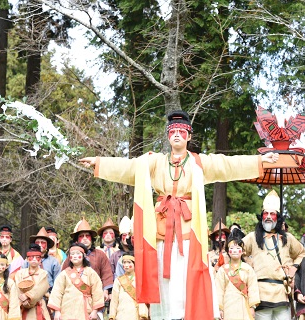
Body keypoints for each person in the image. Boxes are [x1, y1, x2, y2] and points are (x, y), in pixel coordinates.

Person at [79, 110, 278, 319]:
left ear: (189, 136)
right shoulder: (154, 162)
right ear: (167, 136)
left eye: (182, 131)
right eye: (173, 131)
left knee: (186, 278)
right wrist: (100, 163)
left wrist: (259, 161)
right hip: (162, 230)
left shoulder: (198, 163)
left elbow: (227, 164)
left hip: (188, 230)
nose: (177, 135)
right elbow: (129, 167)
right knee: (164, 279)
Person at [242, 190, 305, 320]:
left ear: (278, 217)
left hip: (283, 292)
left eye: (272, 213)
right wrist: (249, 264)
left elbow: (301, 253)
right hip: (261, 292)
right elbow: (238, 250)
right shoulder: (253, 237)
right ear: (262, 216)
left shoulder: (287, 237)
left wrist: (293, 268)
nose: (269, 216)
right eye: (266, 213)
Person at [48, 242, 104, 320]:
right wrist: (57, 311)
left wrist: (95, 311)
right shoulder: (64, 274)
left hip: (85, 310)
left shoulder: (91, 273)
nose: (75, 256)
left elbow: (97, 291)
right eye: (72, 254)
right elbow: (57, 292)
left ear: (84, 256)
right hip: (67, 310)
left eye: (77, 253)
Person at [62, 218, 113, 301]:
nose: (85, 238)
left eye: (87, 236)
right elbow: (63, 276)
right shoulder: (71, 256)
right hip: (74, 296)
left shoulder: (100, 254)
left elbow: (106, 274)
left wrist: (105, 291)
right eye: (81, 236)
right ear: (77, 240)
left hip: (96, 294)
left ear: (91, 238)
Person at [215, 234, 259, 320]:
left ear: (243, 251)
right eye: (232, 249)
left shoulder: (248, 269)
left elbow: (253, 288)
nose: (235, 251)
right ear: (228, 251)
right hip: (227, 305)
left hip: (244, 305)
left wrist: (252, 307)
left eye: (238, 249)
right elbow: (219, 290)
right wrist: (220, 308)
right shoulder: (222, 270)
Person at [15, 243, 51, 320]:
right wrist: (22, 299)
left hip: (38, 306)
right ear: (27, 259)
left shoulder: (43, 273)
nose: (34, 259)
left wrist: (27, 297)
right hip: (22, 305)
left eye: (37, 257)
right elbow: (17, 288)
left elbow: (40, 289)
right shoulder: (20, 273)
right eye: (31, 257)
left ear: (40, 260)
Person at [109, 253, 149, 320]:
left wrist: (143, 313)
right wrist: (112, 315)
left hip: (135, 313)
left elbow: (142, 299)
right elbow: (114, 300)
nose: (126, 265)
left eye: (129, 262)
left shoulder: (140, 279)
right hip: (121, 313)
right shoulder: (118, 280)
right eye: (124, 263)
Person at [22, 227, 61, 293]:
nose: (40, 245)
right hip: (30, 294)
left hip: (49, 294)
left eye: (43, 243)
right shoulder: (27, 261)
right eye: (37, 243)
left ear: (47, 245)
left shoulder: (53, 262)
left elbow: (58, 282)